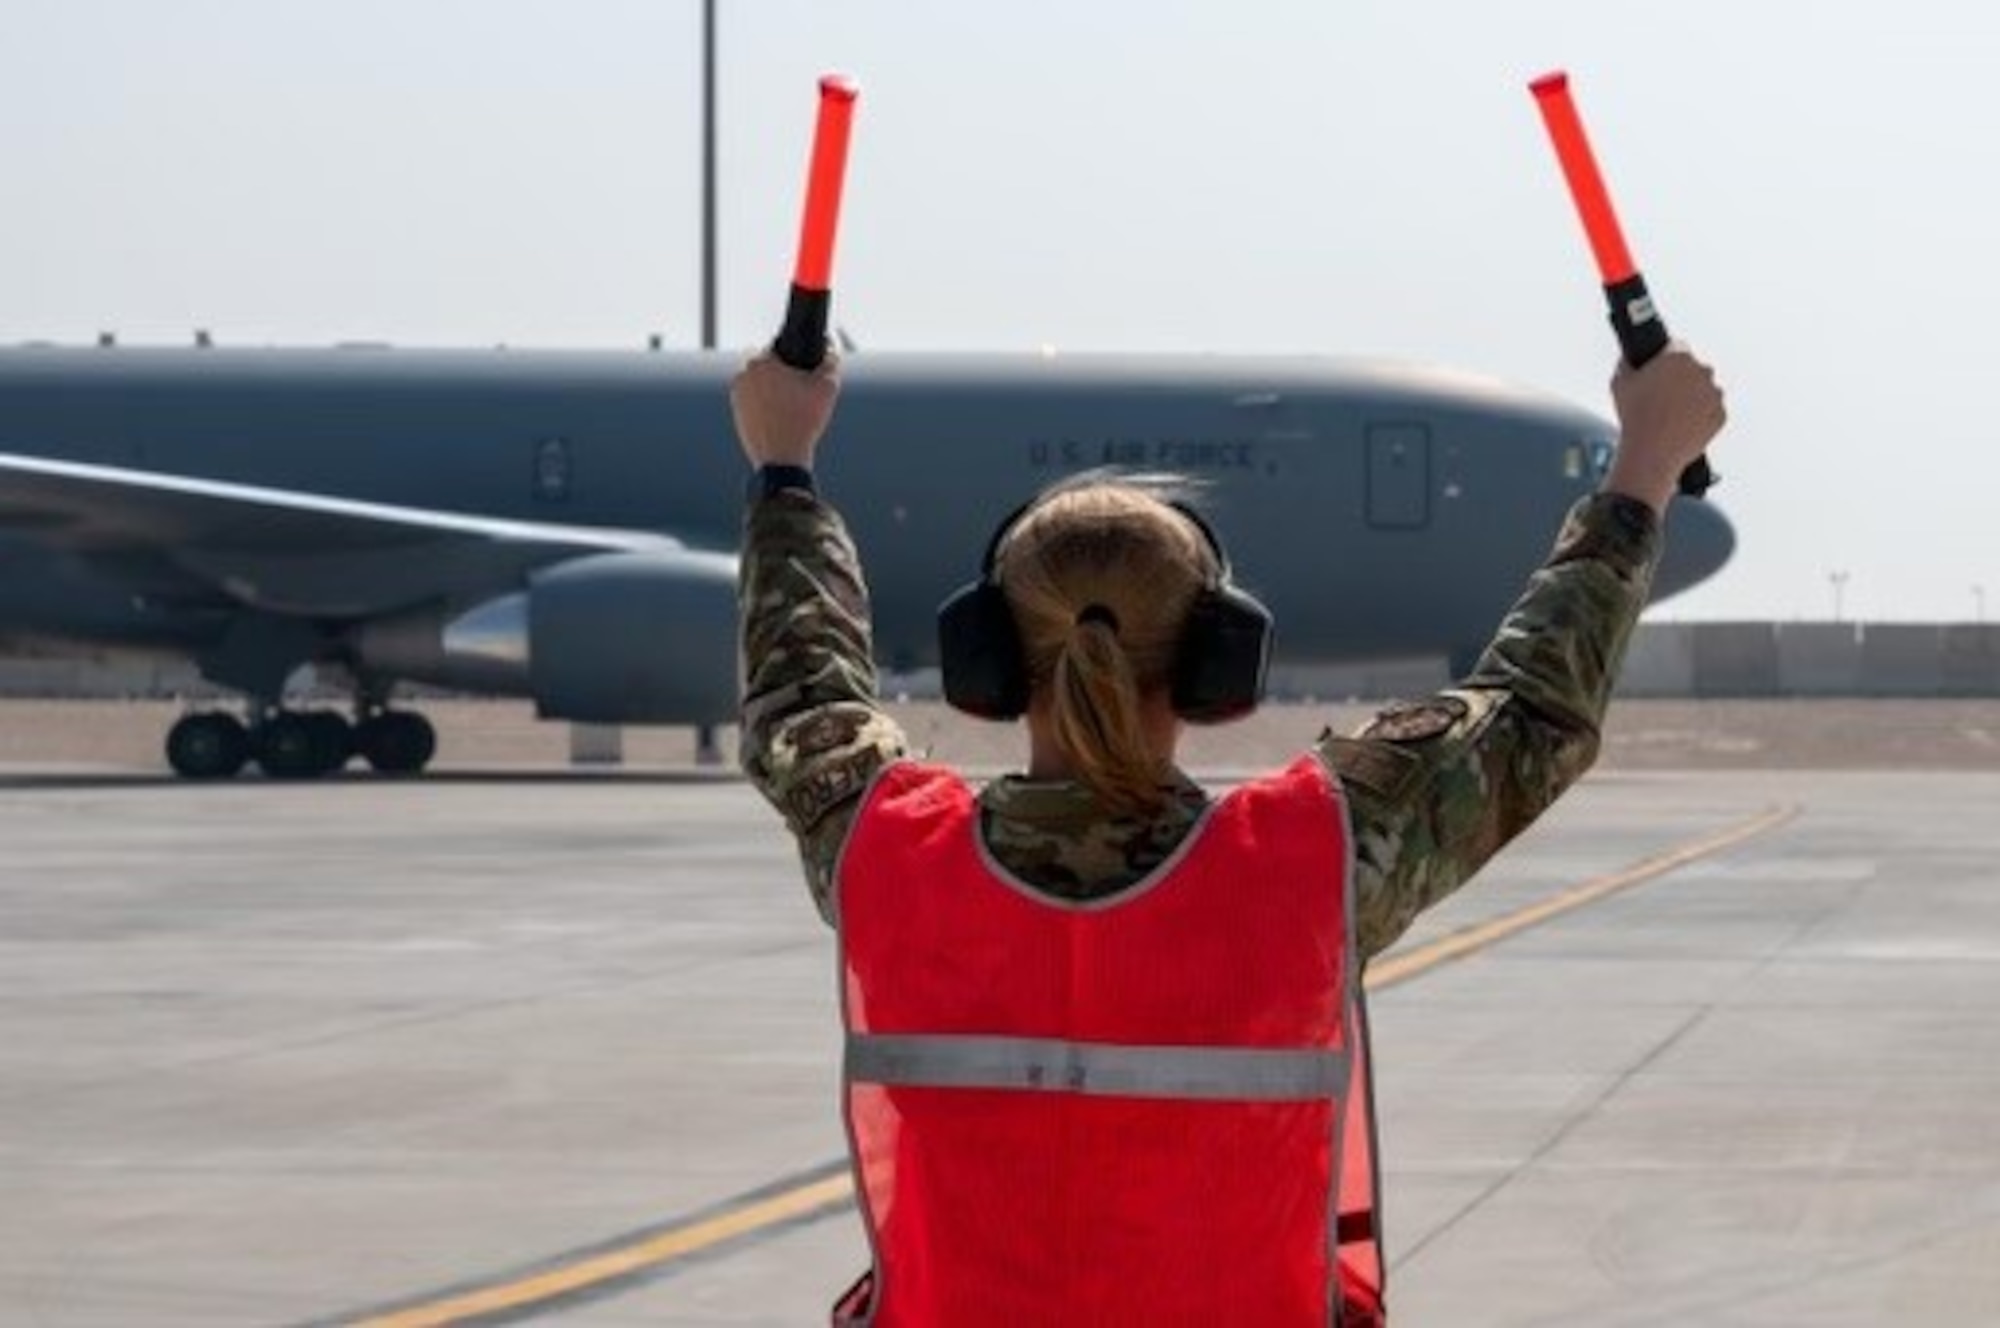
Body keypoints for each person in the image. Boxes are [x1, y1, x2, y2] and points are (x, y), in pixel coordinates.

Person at [732, 345, 1726, 1326]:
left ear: (984, 655)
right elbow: (1527, 709)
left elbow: (799, 693)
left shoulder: (894, 860)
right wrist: (1641, 469)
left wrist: (784, 466)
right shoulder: (1306, 859)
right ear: (1215, 663)